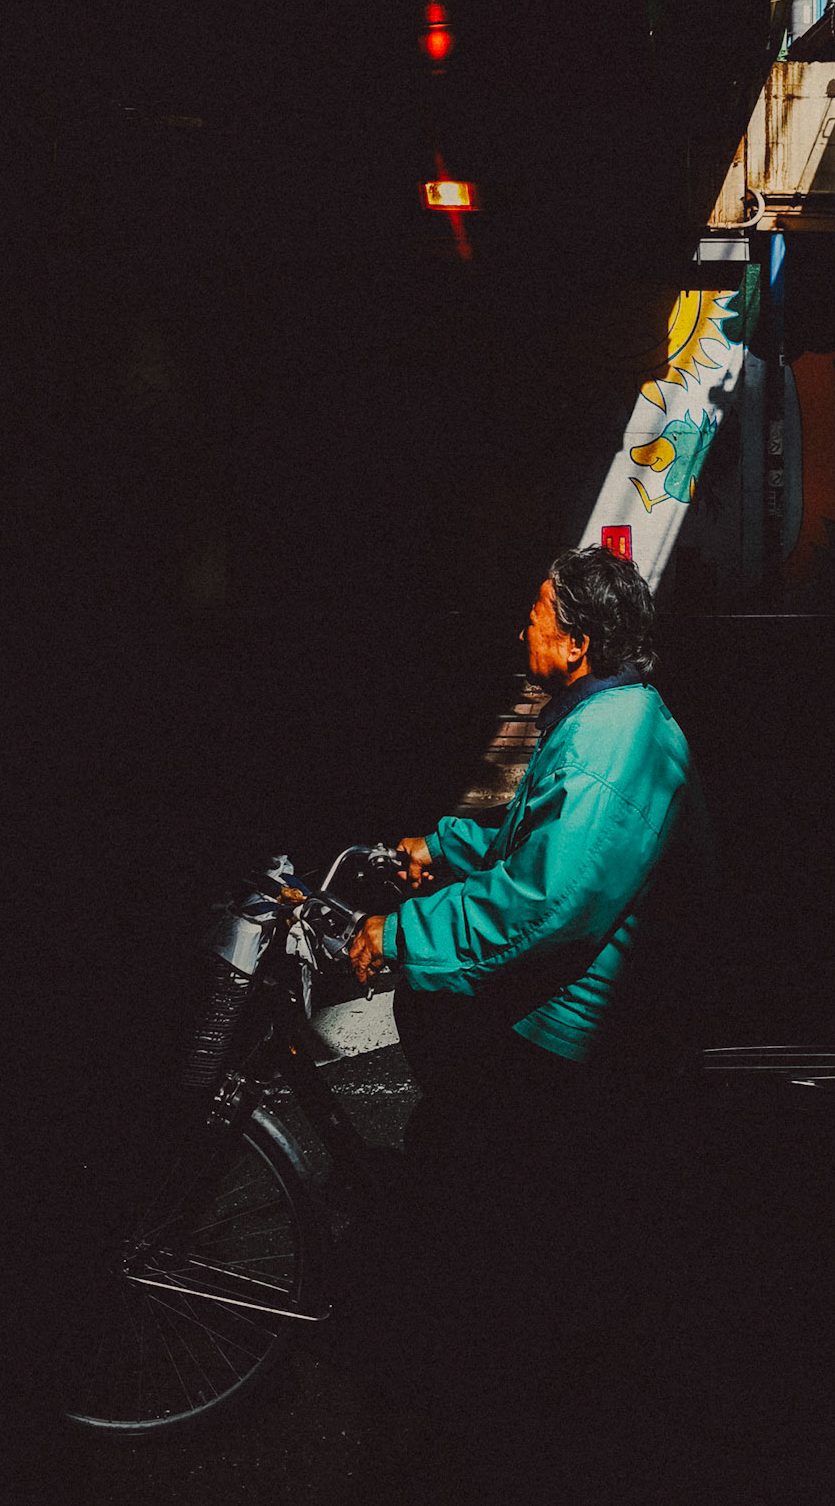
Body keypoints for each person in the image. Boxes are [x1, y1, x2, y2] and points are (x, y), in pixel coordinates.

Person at [344, 544, 714, 1419]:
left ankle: (486, 1391)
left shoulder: (609, 745)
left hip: (581, 1034)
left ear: (578, 642)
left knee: (482, 1185)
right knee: (463, 1165)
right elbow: (532, 842)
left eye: (539, 613)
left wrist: (400, 932)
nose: (525, 625)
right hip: (578, 1008)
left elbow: (542, 907)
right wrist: (438, 848)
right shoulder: (604, 717)